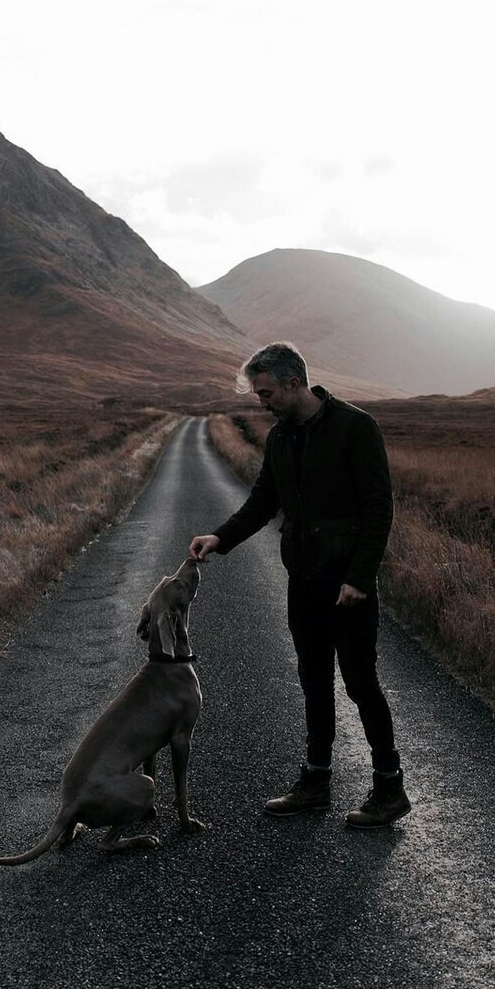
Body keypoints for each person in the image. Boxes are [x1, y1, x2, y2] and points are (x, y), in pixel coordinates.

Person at [189, 341, 410, 828]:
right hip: (303, 580)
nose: (261, 402)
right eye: (257, 394)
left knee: (360, 682)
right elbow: (264, 500)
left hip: (347, 587)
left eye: (266, 393)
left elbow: (379, 508)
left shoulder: (356, 428)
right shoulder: (280, 438)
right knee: (313, 681)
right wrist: (220, 538)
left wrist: (360, 578)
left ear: (294, 383)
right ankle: (315, 782)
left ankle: (390, 788)